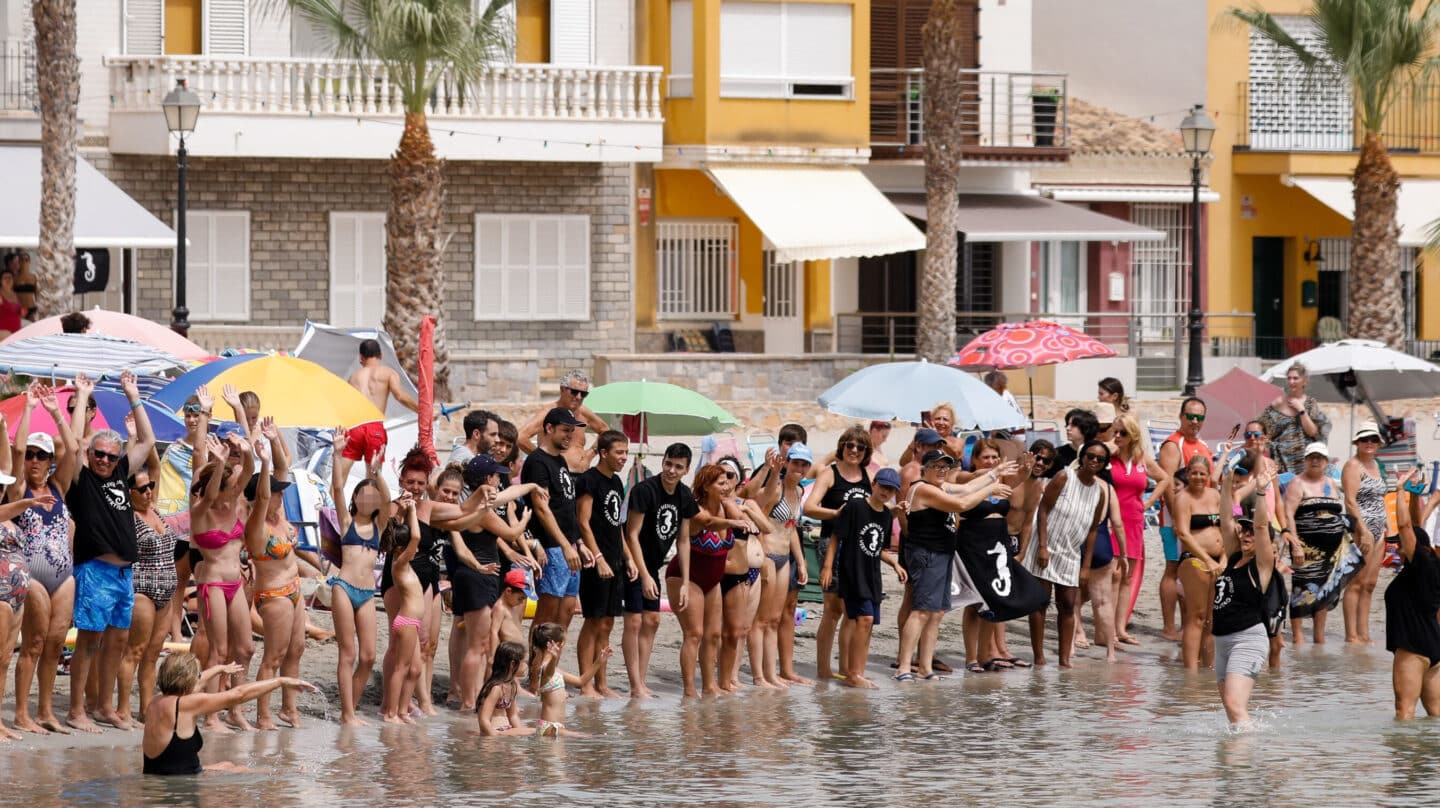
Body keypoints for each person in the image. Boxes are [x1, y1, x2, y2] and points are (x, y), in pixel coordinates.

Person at [64, 370, 155, 733]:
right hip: (95, 570)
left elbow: (147, 440)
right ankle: (76, 711)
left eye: (109, 456)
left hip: (123, 574)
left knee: (116, 641)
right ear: (90, 454)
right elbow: (72, 443)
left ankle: (104, 706)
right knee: (87, 643)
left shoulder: (119, 474)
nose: (103, 460)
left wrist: (132, 392)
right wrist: (83, 396)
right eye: (98, 455)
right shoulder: (81, 479)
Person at [894, 450, 1010, 681]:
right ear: (924, 468)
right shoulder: (923, 488)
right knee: (921, 611)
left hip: (943, 554)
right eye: (936, 466)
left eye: (945, 467)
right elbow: (961, 503)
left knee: (936, 613)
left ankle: (926, 668)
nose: (941, 470)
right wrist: (990, 489)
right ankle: (904, 667)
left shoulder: (940, 486)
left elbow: (967, 489)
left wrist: (994, 473)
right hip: (927, 555)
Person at [8, 383, 80, 735]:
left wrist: (56, 413)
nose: (34, 460)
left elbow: (74, 450)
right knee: (33, 644)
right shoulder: (18, 490)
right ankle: (21, 712)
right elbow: (17, 446)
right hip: (32, 575)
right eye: (31, 455)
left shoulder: (59, 487)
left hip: (63, 576)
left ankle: (46, 711)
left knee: (54, 644)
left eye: (41, 455)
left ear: (51, 462)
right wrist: (30, 407)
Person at [141, 653, 316, 776]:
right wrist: (280, 681)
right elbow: (238, 694)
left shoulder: (156, 701)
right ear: (187, 679)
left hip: (160, 774)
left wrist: (218, 669)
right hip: (175, 784)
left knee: (227, 765)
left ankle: (287, 773)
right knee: (241, 771)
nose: (200, 679)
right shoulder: (187, 704)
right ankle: (289, 775)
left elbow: (197, 682)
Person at [188, 422, 256, 733]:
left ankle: (235, 710)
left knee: (245, 649)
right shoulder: (201, 510)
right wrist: (217, 466)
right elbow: (213, 490)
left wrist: (244, 449)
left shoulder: (232, 502)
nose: (231, 491)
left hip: (236, 583)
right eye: (228, 485)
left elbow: (249, 471)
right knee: (218, 649)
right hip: (212, 581)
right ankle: (212, 715)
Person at [666, 463, 755, 697]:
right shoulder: (696, 511)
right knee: (694, 633)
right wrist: (733, 523)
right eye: (720, 483)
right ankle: (689, 690)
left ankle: (709, 685)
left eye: (728, 482)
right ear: (705, 486)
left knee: (713, 635)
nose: (726, 487)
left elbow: (744, 521)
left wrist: (730, 506)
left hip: (712, 581)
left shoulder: (727, 508)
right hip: (686, 577)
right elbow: (707, 522)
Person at [622, 443, 700, 698]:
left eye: (678, 467)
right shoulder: (645, 490)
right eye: (668, 463)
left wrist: (687, 581)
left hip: (653, 565)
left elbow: (684, 540)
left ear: (686, 470)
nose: (671, 470)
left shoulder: (685, 496)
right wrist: (643, 575)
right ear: (663, 462)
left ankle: (641, 682)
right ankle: (635, 686)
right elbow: (631, 534)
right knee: (634, 621)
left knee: (653, 620)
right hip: (632, 563)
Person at [244, 422, 306, 730]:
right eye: (274, 494)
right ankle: (263, 713)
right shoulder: (257, 525)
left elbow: (285, 467)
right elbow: (267, 493)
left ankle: (288, 708)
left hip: (295, 588)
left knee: (296, 650)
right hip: (274, 595)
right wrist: (263, 461)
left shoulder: (279, 515)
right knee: (274, 656)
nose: (281, 498)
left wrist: (275, 437)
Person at [328, 428, 391, 726]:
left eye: (373, 495)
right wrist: (337, 454)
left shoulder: (380, 524)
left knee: (368, 656)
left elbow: (389, 500)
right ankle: (348, 714)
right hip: (343, 587)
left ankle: (349, 710)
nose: (369, 498)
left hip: (367, 593)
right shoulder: (346, 520)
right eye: (363, 494)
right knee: (348, 653)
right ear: (356, 498)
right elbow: (337, 489)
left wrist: (376, 472)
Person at [1026, 441, 1109, 669]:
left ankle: (1064, 659)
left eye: (1100, 459)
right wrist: (1042, 546)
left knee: (1068, 604)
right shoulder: (1064, 477)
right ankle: (1039, 658)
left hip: (1071, 552)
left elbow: (1093, 530)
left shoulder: (1099, 493)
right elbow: (1043, 510)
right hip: (1046, 545)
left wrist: (1086, 566)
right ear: (1082, 457)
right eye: (1090, 456)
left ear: (1104, 464)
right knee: (1040, 603)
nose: (1094, 461)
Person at [822, 468, 905, 688]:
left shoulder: (887, 516)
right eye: (883, 486)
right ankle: (853, 673)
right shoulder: (856, 507)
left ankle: (858, 671)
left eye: (891, 489)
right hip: (852, 573)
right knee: (863, 619)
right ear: (874, 484)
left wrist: (895, 563)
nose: (886, 492)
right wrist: (828, 567)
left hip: (872, 576)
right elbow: (836, 537)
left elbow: (876, 547)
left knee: (869, 625)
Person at [803, 426, 873, 681]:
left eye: (860, 447)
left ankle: (846, 668)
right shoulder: (829, 474)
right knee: (834, 609)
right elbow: (809, 507)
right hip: (831, 545)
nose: (854, 451)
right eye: (850, 445)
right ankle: (826, 669)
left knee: (849, 609)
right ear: (842, 447)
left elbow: (876, 506)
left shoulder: (867, 475)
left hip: (860, 551)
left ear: (866, 452)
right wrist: (835, 514)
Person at [116, 449, 179, 726]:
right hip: (142, 588)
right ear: (129, 492)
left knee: (153, 654)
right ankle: (123, 709)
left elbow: (155, 464)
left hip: (167, 590)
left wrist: (148, 442)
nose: (148, 492)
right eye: (141, 489)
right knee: (135, 651)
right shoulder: (128, 517)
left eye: (151, 486)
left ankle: (145, 709)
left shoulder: (154, 510)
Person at [1211, 466, 1276, 728]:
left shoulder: (1261, 565)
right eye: (1244, 531)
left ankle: (1244, 764)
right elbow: (1227, 518)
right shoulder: (1234, 558)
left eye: (1252, 533)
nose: (1247, 534)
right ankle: (1236, 759)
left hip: (1248, 639)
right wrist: (1227, 484)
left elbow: (1261, 526)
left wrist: (1260, 492)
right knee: (1231, 708)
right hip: (1222, 641)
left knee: (1234, 705)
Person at [1285, 441, 1362, 646]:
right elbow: (1288, 515)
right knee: (1302, 589)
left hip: (1332, 549)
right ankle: (1298, 638)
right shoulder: (1297, 483)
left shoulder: (1330, 482)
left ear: (1326, 461)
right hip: (1306, 547)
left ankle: (1319, 639)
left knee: (1324, 590)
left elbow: (1338, 511)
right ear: (1305, 460)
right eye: (1311, 457)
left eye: (1319, 457)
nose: (1315, 461)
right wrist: (1295, 544)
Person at [521, 407, 589, 632]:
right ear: (549, 429)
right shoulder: (537, 462)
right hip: (551, 546)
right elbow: (541, 509)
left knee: (567, 611)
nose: (570, 435)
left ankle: (550, 667)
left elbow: (565, 507)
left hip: (568, 545)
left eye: (572, 431)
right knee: (547, 614)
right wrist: (564, 545)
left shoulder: (559, 460)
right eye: (565, 430)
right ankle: (535, 667)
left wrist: (577, 543)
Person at [576, 430, 629, 698]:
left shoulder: (618, 483)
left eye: (626, 453)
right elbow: (583, 522)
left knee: (607, 623)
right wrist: (598, 559)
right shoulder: (589, 480)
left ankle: (602, 683)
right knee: (593, 621)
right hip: (596, 561)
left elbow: (618, 525)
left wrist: (627, 557)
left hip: (615, 560)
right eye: (619, 452)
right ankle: (585, 683)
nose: (624, 458)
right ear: (604, 453)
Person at [1108, 414, 1169, 641]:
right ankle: (1109, 630)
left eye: (1122, 432)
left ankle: (1120, 629)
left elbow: (1164, 479)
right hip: (1112, 519)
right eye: (1115, 431)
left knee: (1127, 576)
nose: (1117, 436)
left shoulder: (1142, 459)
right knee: (1113, 574)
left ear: (1133, 435)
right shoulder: (1109, 456)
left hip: (1134, 519)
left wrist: (1149, 503)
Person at [753, 446, 811, 688]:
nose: (799, 469)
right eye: (796, 463)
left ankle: (771, 673)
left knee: (775, 619)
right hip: (768, 555)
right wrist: (762, 557)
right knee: (761, 619)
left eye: (804, 465)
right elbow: (758, 517)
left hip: (785, 557)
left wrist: (801, 560)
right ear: (787, 463)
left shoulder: (798, 491)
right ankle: (759, 676)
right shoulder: (775, 489)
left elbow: (790, 528)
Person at [1157, 397, 1211, 642]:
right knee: (1172, 569)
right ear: (1181, 416)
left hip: (1198, 519)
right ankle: (1169, 627)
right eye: (1190, 416)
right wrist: (1179, 519)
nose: (1194, 421)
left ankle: (1187, 623)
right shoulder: (1172, 445)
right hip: (1173, 520)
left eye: (1199, 417)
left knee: (1189, 570)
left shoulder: (1202, 445)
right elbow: (1167, 483)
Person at [1387, 473, 1440, 720]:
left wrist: (1399, 490)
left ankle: (1404, 758)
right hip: (1434, 647)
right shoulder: (1430, 564)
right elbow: (1417, 529)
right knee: (1437, 715)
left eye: (1400, 544)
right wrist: (1414, 496)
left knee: (1404, 712)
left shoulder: (1420, 564)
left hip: (1412, 648)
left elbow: (1407, 527)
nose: (1397, 548)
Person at [716, 456, 767, 693]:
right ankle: (725, 677)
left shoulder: (746, 502)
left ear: (738, 480)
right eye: (722, 474)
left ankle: (734, 676)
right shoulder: (715, 504)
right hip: (729, 571)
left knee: (743, 628)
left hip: (753, 570)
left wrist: (747, 510)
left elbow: (765, 527)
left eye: (730, 475)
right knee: (725, 629)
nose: (726, 479)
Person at [338, 338, 420, 484]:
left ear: (361, 357)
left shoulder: (353, 377)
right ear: (380, 355)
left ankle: (331, 505)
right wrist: (420, 410)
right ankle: (369, 506)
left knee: (340, 477)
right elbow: (399, 395)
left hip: (353, 427)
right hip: (374, 427)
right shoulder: (388, 373)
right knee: (373, 478)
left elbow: (344, 406)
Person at [1172, 453, 1223, 671]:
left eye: (1202, 473)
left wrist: (1225, 557)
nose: (1198, 477)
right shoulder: (1182, 498)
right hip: (1194, 560)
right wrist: (1206, 560)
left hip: (1218, 560)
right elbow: (1183, 533)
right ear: (1187, 474)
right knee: (1197, 616)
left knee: (1212, 617)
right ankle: (1191, 672)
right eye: (1194, 473)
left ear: (1209, 475)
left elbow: (1230, 523)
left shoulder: (1216, 494)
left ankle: (1208, 668)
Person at [1342, 421, 1389, 644]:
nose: (1368, 443)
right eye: (1364, 440)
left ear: (1378, 443)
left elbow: (1379, 497)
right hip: (1361, 530)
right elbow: (1350, 501)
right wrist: (1363, 529)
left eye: (1372, 439)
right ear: (1357, 443)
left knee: (1370, 584)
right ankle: (1352, 635)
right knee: (1357, 583)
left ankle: (1365, 633)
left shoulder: (1376, 465)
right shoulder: (1353, 466)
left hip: (1380, 529)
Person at [381, 497, 425, 724]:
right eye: (409, 546)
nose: (414, 548)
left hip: (410, 622)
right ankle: (391, 713)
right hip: (406, 621)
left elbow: (410, 536)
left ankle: (401, 711)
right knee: (401, 668)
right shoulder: (399, 562)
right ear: (401, 548)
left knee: (411, 670)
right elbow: (416, 536)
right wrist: (414, 509)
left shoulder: (403, 564)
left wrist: (406, 513)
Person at [527, 622, 609, 736]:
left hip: (554, 728)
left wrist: (598, 662)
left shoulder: (556, 670)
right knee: (587, 737)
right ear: (558, 644)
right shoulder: (545, 667)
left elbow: (581, 681)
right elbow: (548, 671)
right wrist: (554, 658)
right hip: (550, 727)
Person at [517, 371, 608, 469]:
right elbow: (520, 437)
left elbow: (605, 430)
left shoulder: (583, 412)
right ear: (562, 389)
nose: (578, 397)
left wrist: (591, 453)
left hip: (582, 476)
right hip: (557, 474)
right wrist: (544, 460)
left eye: (583, 394)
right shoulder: (548, 413)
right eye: (574, 392)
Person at [1258, 362, 1331, 475]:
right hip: (1281, 461)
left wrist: (1301, 410)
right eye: (1289, 378)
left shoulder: (1310, 403)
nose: (1291, 382)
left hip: (1304, 461)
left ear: (1304, 381)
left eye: (1295, 378)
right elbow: (1263, 430)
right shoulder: (1277, 403)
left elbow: (1312, 432)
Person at [475, 640, 528, 736]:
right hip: (494, 733)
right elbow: (484, 719)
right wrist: (493, 738)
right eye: (523, 662)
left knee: (534, 732)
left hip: (504, 732)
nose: (526, 666)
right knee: (536, 731)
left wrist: (520, 736)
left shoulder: (511, 686)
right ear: (512, 664)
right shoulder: (496, 689)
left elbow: (512, 716)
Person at [490, 570, 530, 652]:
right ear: (508, 591)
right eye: (520, 598)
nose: (521, 602)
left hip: (517, 651)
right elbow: (494, 632)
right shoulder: (500, 608)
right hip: (508, 652)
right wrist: (492, 655)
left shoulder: (512, 606)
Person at [1052, 409, 1099, 476]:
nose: (1067, 428)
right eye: (1067, 424)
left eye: (1073, 425)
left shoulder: (1098, 453)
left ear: (1086, 428)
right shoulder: (1057, 453)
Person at [0, 268, 22, 337]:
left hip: (16, 333)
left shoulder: (15, 294)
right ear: (1, 281)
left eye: (10, 277)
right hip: (4, 334)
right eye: (5, 278)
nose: (8, 279)